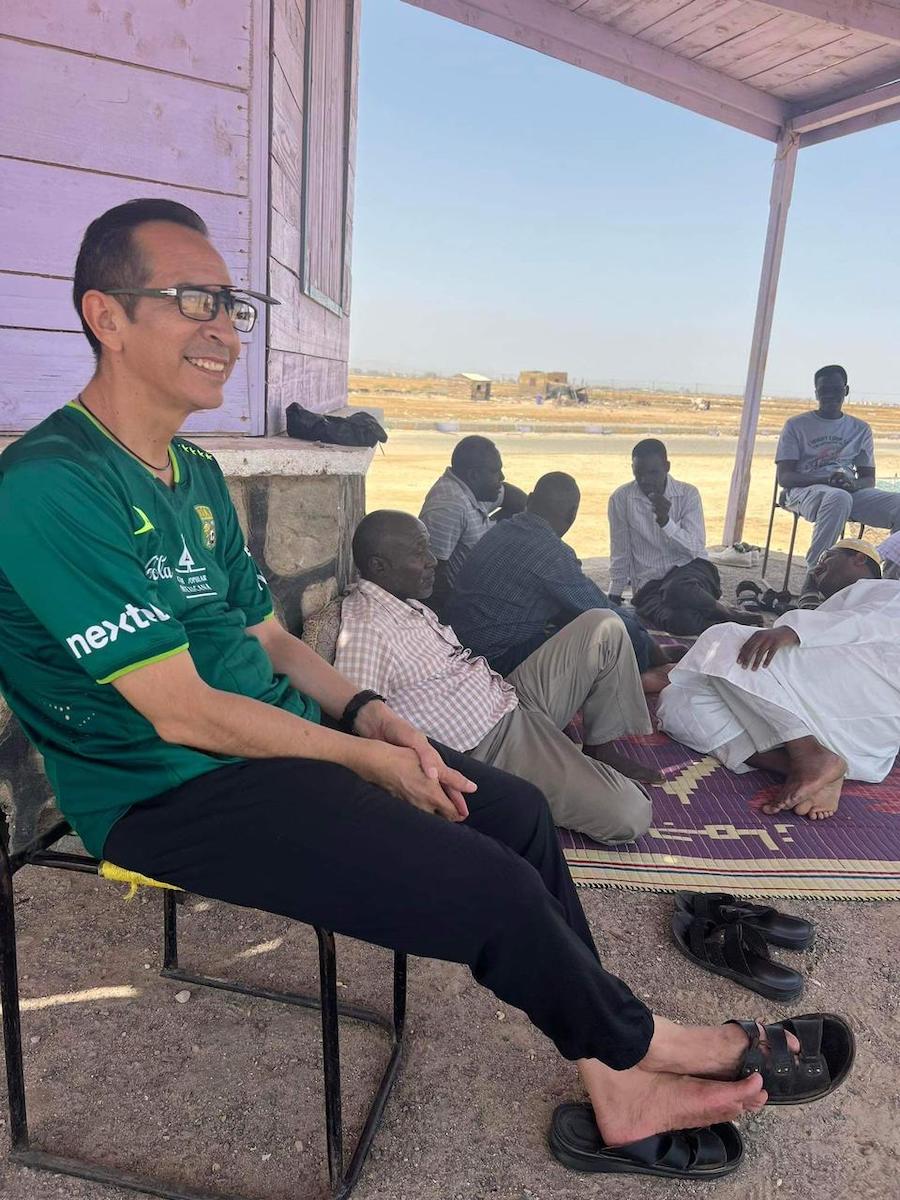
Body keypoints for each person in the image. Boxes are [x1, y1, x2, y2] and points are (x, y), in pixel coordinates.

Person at [0, 199, 841, 1182]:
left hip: (264, 745)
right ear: (106, 314)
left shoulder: (187, 469)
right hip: (166, 792)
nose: (223, 330)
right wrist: (367, 758)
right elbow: (180, 710)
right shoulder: (51, 485)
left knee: (518, 815)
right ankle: (646, 1042)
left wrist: (371, 713)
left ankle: (616, 1081)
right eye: (193, 301)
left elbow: (266, 634)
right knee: (489, 893)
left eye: (233, 305)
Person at [335, 511, 658, 844]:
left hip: (508, 695)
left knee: (603, 625)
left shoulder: (405, 604)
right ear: (378, 566)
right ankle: (567, 770)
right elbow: (363, 729)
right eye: (419, 552)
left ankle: (597, 747)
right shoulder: (365, 630)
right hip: (491, 745)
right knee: (631, 814)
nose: (432, 560)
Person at [657, 539, 899, 820]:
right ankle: (809, 767)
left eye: (826, 557)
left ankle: (807, 753)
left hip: (870, 698)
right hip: (835, 727)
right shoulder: (827, 614)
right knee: (678, 702)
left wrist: (793, 630)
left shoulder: (886, 591)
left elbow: (873, 621)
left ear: (859, 558)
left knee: (725, 640)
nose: (816, 567)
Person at [447, 472, 673, 680]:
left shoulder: (501, 529)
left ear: (531, 499)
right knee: (601, 634)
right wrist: (651, 650)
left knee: (568, 611)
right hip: (494, 661)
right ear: (573, 513)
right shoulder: (551, 554)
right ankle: (640, 677)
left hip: (459, 647)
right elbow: (606, 615)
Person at [609, 439, 763, 635]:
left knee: (677, 589)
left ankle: (727, 612)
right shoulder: (621, 498)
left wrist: (666, 523)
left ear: (667, 467)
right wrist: (614, 596)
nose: (645, 480)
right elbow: (620, 550)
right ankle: (718, 622)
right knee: (680, 621)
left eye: (653, 472)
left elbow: (696, 548)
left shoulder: (687, 494)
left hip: (690, 574)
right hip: (650, 585)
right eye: (638, 473)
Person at [776, 365, 900, 595]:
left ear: (846, 390)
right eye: (824, 390)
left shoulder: (860, 429)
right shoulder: (796, 425)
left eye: (836, 389)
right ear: (816, 392)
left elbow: (868, 479)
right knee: (839, 497)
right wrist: (826, 478)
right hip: (805, 490)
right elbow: (785, 477)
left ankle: (892, 582)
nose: (830, 395)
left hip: (849, 491)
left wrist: (853, 484)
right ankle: (813, 579)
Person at [418, 435, 505, 615]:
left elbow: (513, 496)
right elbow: (433, 578)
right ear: (474, 475)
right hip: (464, 610)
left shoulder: (478, 490)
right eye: (496, 472)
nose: (502, 478)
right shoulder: (449, 506)